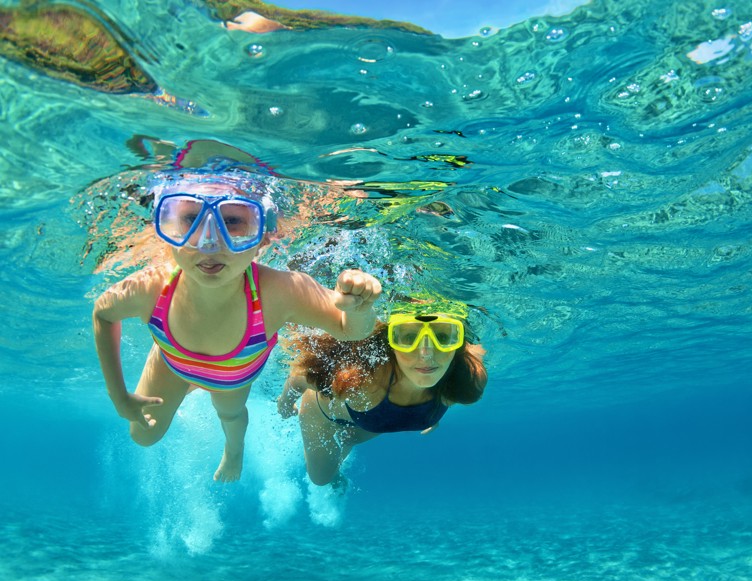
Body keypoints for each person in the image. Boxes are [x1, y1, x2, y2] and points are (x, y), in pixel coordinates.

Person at [92, 172, 381, 483]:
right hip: (172, 363)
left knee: (229, 415)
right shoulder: (151, 288)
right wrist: (118, 396)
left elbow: (350, 330)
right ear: (167, 228)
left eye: (231, 221)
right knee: (142, 435)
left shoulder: (278, 293)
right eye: (190, 219)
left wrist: (360, 309)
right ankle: (184, 377)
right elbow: (103, 314)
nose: (209, 242)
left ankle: (234, 451)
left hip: (230, 378)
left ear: (263, 237)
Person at [277, 307, 487, 487]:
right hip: (325, 418)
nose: (426, 354)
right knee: (321, 479)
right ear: (391, 342)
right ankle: (336, 474)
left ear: (458, 343)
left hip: (371, 421)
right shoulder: (362, 380)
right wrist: (285, 404)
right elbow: (299, 377)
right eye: (409, 337)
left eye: (442, 337)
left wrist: (434, 414)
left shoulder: (468, 378)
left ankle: (346, 441)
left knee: (348, 439)